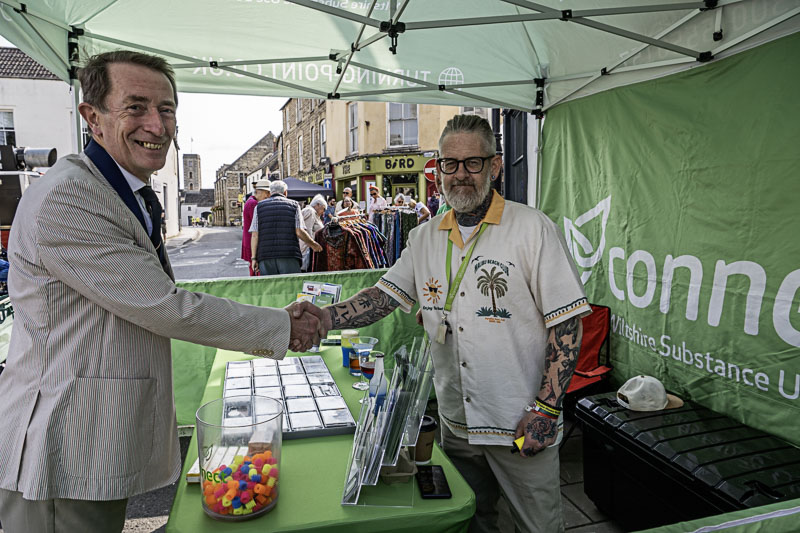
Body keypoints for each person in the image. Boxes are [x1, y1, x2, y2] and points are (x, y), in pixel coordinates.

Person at [0, 51, 328, 533]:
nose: (156, 125)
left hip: (92, 442)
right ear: (92, 116)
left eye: (167, 109)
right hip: (61, 447)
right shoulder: (70, 195)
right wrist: (283, 326)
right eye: (135, 107)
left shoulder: (118, 188)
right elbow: (165, 305)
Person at [316, 114, 590, 533]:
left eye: (472, 163)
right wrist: (324, 317)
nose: (460, 174)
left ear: (494, 167)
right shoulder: (423, 236)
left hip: (518, 422)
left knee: (537, 526)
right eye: (450, 163)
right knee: (471, 520)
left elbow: (567, 324)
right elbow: (383, 297)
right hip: (456, 424)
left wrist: (546, 409)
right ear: (438, 169)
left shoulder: (532, 229)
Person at [250, 180, 322, 275]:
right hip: (289, 254)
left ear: (270, 192)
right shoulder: (294, 205)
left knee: (270, 284)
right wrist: (313, 244)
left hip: (265, 256)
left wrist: (254, 258)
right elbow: (299, 231)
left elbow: (255, 235)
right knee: (291, 283)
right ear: (285, 192)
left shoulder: (258, 207)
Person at [241, 179, 270, 276]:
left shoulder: (251, 201)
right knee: (256, 270)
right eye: (267, 193)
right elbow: (258, 224)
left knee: (254, 269)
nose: (268, 197)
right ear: (260, 192)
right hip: (253, 242)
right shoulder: (253, 204)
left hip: (251, 240)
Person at [300, 194, 326, 271]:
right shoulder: (310, 211)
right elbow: (307, 232)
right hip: (306, 250)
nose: (323, 212)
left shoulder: (313, 213)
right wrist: (313, 245)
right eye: (323, 209)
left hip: (308, 249)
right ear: (317, 205)